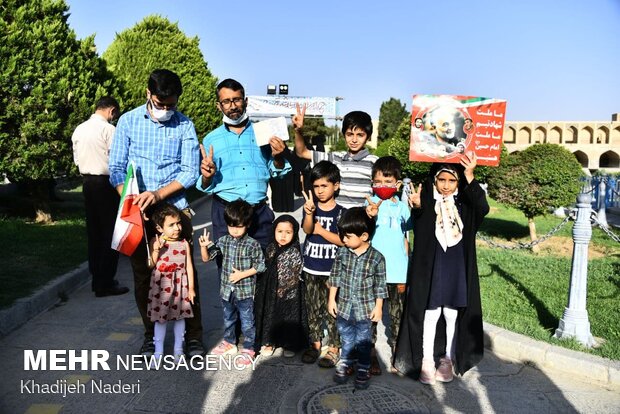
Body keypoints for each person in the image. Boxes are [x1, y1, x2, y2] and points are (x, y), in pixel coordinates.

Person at [108, 69, 205, 358]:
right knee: (144, 274)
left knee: (185, 276)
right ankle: (152, 334)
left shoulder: (185, 125)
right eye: (160, 103)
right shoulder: (127, 121)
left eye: (170, 105)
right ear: (148, 94)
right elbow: (115, 169)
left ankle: (193, 336)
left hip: (175, 210)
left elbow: (189, 171)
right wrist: (129, 202)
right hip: (137, 211)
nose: (165, 110)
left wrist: (158, 195)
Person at [393, 152, 489, 385]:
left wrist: (469, 175)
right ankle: (426, 359)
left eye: (451, 180)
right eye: (441, 180)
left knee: (451, 312)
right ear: (434, 180)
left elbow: (482, 208)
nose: (446, 186)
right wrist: (416, 207)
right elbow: (417, 223)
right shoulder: (426, 200)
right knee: (431, 312)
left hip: (456, 265)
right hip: (431, 267)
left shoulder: (464, 203)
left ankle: (447, 358)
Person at [196, 78, 291, 253]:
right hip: (226, 215)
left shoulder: (264, 132)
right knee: (227, 272)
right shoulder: (210, 139)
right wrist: (207, 177)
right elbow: (204, 183)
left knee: (263, 271)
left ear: (245, 101)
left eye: (236, 99)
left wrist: (277, 157)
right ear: (219, 106)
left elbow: (278, 170)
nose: (232, 106)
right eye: (226, 101)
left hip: (259, 214)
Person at [72, 96, 128, 297]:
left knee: (94, 233)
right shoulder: (109, 130)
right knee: (109, 234)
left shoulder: (79, 129)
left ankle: (97, 278)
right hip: (106, 184)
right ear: (112, 111)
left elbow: (77, 159)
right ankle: (106, 282)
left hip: (87, 183)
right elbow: (117, 158)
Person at [199, 199, 265, 364]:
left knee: (248, 321)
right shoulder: (223, 241)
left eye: (239, 226)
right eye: (231, 226)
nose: (235, 230)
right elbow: (207, 259)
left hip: (245, 291)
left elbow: (261, 266)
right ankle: (229, 342)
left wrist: (241, 275)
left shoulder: (253, 245)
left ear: (248, 224)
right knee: (228, 318)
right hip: (227, 291)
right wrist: (204, 246)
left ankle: (249, 348)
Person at [328, 207, 387, 390]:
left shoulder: (377, 258)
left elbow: (380, 285)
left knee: (363, 341)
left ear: (363, 236)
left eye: (348, 236)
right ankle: (346, 362)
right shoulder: (342, 253)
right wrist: (332, 299)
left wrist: (378, 307)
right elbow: (335, 276)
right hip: (345, 306)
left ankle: (363, 367)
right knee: (346, 338)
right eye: (343, 235)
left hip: (365, 310)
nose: (344, 240)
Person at [365, 156, 412, 374]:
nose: (382, 186)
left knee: (398, 315)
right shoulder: (369, 204)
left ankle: (398, 352)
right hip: (373, 271)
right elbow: (363, 229)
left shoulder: (404, 208)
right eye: (378, 182)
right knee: (371, 315)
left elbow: (409, 231)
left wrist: (417, 207)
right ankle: (370, 353)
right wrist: (370, 216)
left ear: (397, 184)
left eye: (387, 181)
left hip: (399, 271)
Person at [300, 161, 345, 368]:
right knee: (313, 308)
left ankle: (334, 347)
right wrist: (309, 213)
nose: (319, 191)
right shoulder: (311, 208)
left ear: (335, 186)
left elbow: (343, 240)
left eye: (324, 186)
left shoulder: (342, 212)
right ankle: (316, 343)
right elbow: (308, 229)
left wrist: (321, 231)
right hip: (311, 268)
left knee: (333, 310)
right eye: (316, 186)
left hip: (334, 272)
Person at [293, 105, 377, 209]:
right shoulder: (335, 158)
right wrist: (298, 130)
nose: (354, 140)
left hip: (362, 221)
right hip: (338, 220)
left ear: (368, 137)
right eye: (350, 134)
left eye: (360, 135)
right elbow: (302, 152)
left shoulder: (374, 162)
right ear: (344, 135)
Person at [147, 204, 195, 364]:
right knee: (160, 319)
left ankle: (178, 350)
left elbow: (189, 266)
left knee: (180, 318)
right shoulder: (157, 242)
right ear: (160, 228)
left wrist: (192, 288)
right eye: (171, 225)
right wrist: (155, 250)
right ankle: (158, 352)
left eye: (179, 223)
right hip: (162, 288)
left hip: (180, 287)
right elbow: (150, 264)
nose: (177, 228)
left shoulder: (184, 243)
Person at [254, 215, 308, 357]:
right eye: (280, 231)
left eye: (288, 232)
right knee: (270, 314)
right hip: (270, 290)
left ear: (294, 233)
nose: (283, 235)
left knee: (288, 317)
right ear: (274, 231)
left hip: (290, 292)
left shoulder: (294, 252)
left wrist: (285, 289)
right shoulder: (271, 247)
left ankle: (288, 343)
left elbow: (296, 275)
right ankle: (269, 341)